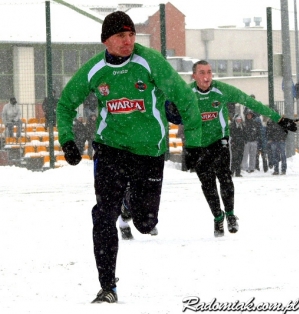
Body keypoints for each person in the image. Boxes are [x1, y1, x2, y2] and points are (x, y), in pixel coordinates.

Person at [56, 11, 202, 304]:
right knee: (102, 216)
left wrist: (194, 144)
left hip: (149, 150)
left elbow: (186, 99)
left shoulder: (150, 62)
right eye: (121, 36)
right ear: (106, 41)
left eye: (132, 35)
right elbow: (64, 105)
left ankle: (129, 205)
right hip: (110, 149)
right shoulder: (94, 69)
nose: (128, 41)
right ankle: (107, 286)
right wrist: (67, 139)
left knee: (146, 223)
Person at [167, 60, 297, 238]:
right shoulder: (186, 92)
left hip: (219, 140)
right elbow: (162, 106)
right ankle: (217, 217)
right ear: (194, 76)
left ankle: (230, 214)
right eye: (202, 73)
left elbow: (251, 102)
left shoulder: (222, 90)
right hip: (196, 145)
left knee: (225, 177)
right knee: (208, 184)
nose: (206, 77)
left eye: (209, 72)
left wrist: (280, 119)